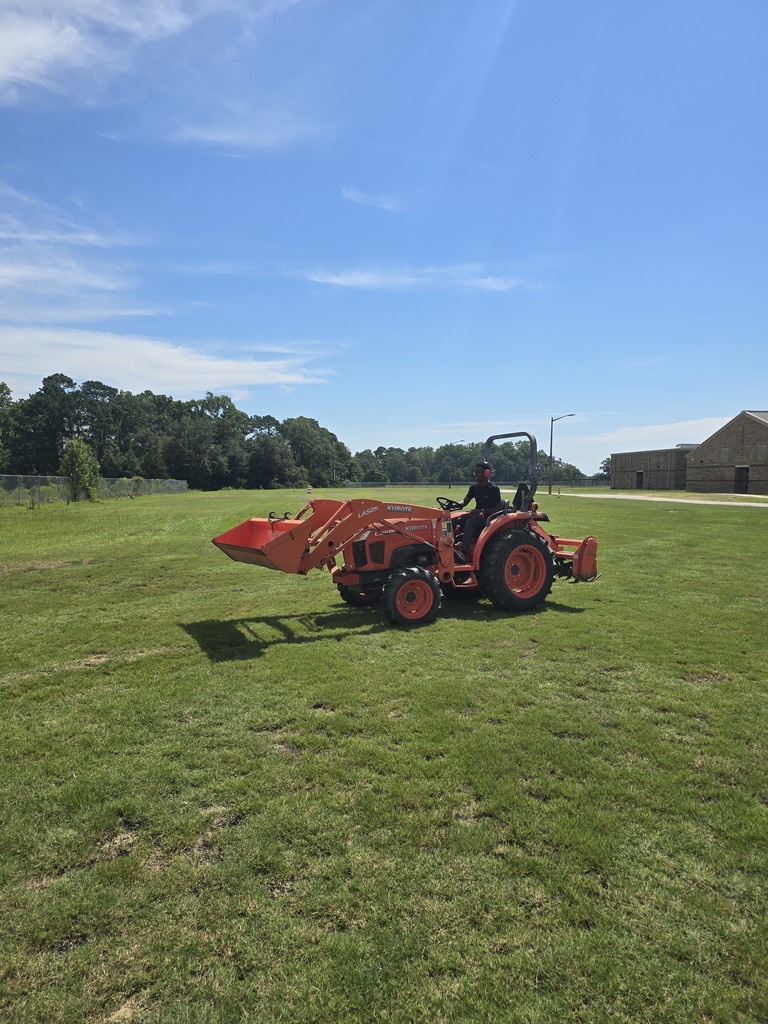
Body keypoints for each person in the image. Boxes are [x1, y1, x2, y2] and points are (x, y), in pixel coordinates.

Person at [457, 462, 502, 557]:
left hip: (489, 518)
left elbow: (497, 508)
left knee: (470, 523)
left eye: (478, 472)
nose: (476, 474)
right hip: (477, 515)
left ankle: (463, 553)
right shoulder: (473, 488)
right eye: (475, 472)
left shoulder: (493, 489)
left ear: (486, 473)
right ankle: (450, 547)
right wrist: (456, 504)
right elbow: (464, 501)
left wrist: (481, 511)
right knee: (454, 520)